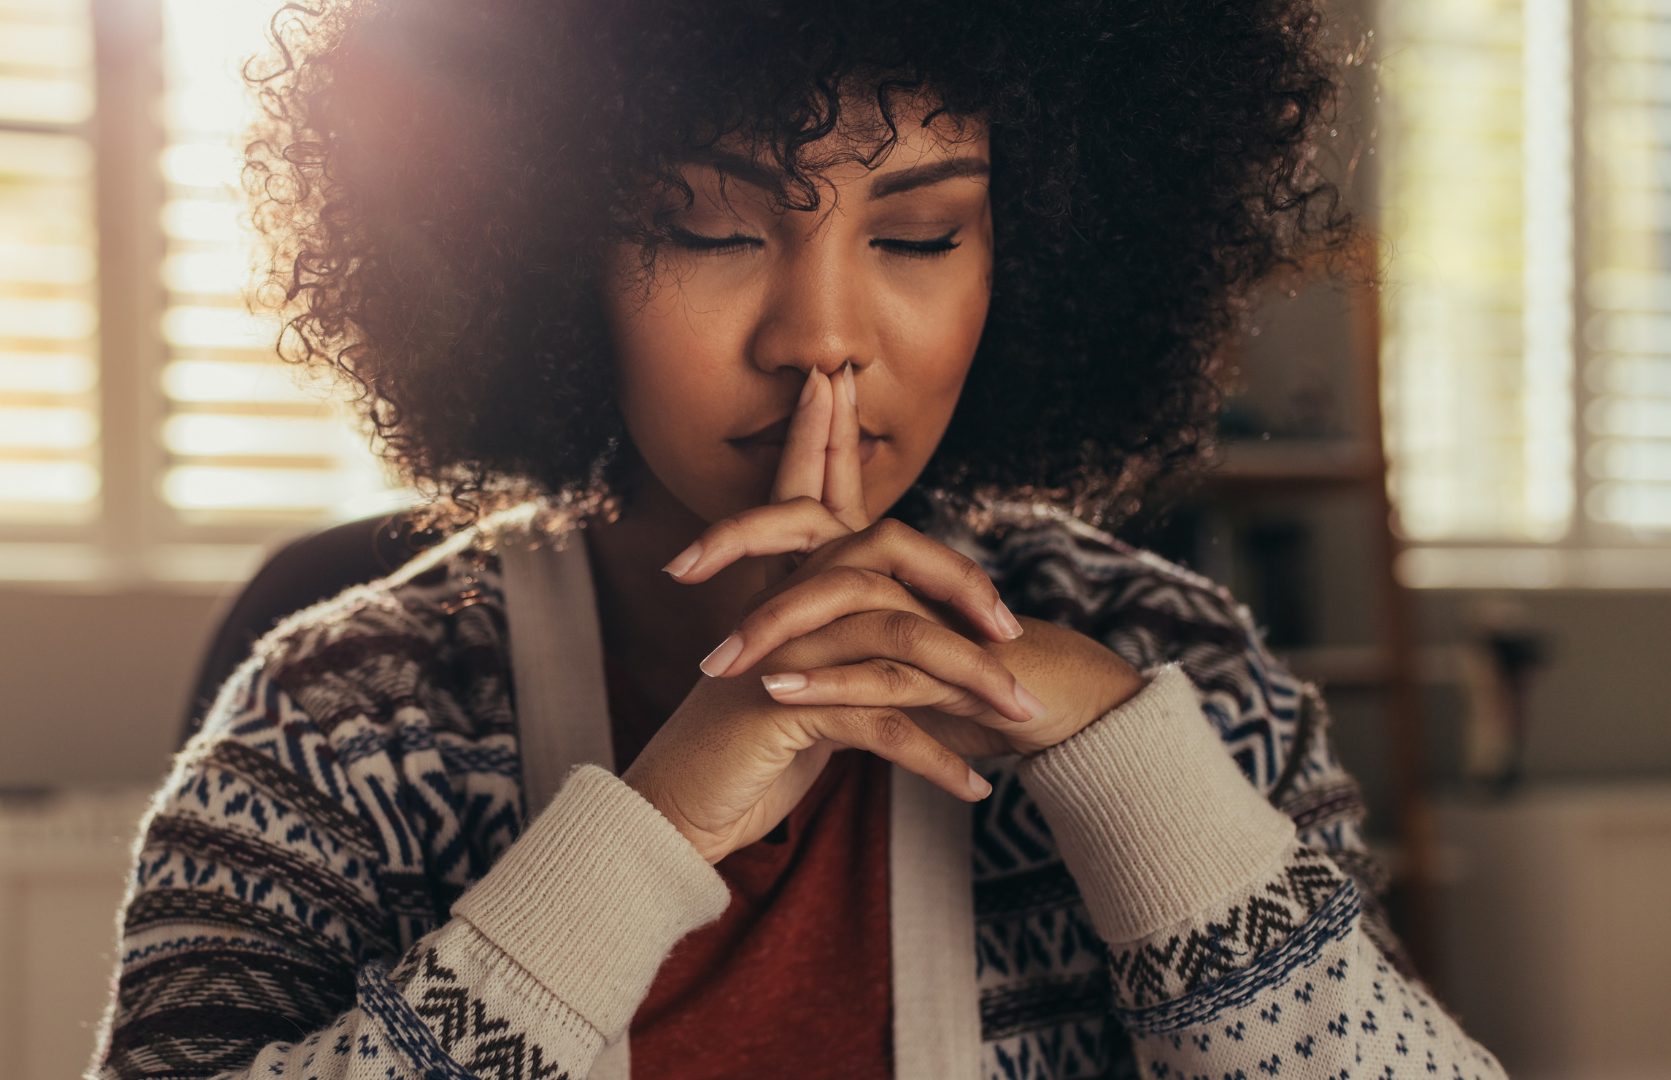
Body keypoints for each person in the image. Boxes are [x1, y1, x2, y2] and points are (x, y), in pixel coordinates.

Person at [93, 0, 1505, 1077]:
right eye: (706, 230)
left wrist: (1130, 773)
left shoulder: (1165, 665)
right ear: (536, 254)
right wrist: (653, 833)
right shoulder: (348, 724)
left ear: (1032, 260)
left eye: (921, 236)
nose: (821, 337)